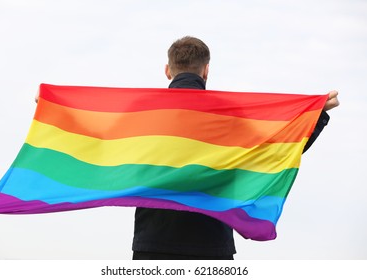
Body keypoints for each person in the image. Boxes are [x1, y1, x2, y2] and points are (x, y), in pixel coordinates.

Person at [131, 36, 339, 260]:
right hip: (211, 244)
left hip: (153, 243)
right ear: (206, 70)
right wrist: (315, 116)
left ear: (167, 70)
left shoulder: (142, 113)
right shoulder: (227, 115)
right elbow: (273, 154)